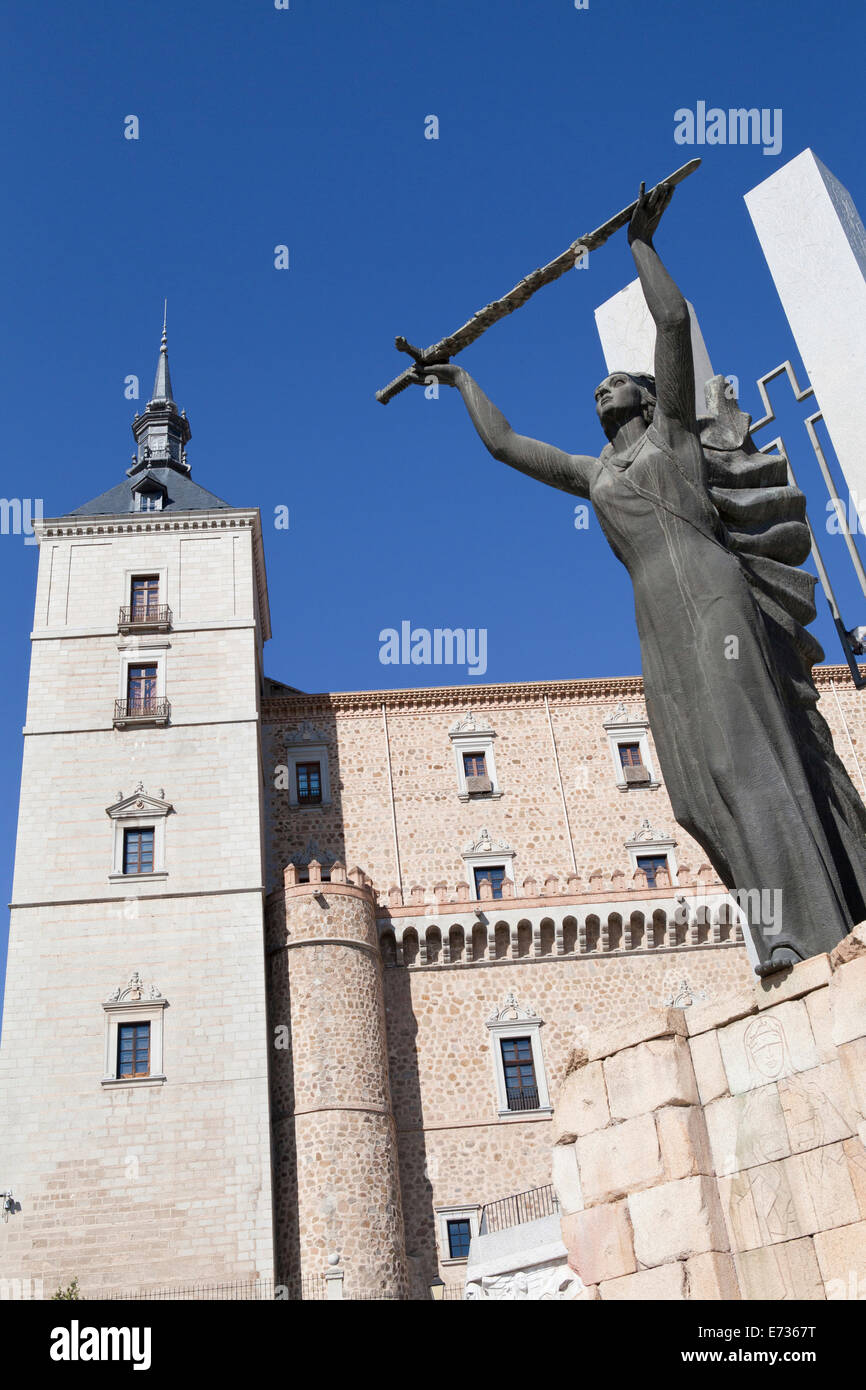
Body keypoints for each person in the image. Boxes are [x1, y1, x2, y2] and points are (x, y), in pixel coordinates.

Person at [414, 182, 866, 974]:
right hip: (657, 621)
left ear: (651, 397)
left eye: (616, 381)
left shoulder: (673, 439)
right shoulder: (596, 476)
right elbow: (506, 446)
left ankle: (808, 931)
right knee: (695, 789)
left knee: (742, 759)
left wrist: (641, 245)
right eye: (597, 386)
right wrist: (456, 381)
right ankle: (775, 931)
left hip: (715, 595)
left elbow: (672, 323)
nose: (601, 387)